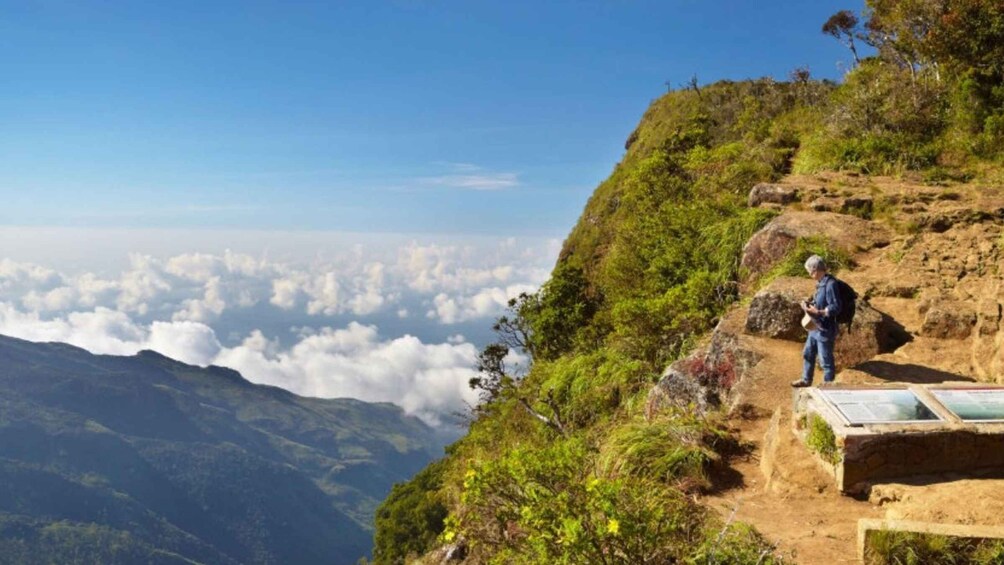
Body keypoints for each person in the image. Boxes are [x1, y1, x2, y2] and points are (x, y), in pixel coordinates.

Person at [791, 255, 841, 387]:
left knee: (826, 360)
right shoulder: (820, 283)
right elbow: (820, 302)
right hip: (815, 327)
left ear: (815, 270)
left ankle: (828, 386)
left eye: (809, 271)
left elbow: (836, 307)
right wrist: (809, 304)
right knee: (808, 353)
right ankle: (806, 380)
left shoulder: (831, 285)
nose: (809, 273)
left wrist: (818, 312)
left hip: (825, 329)